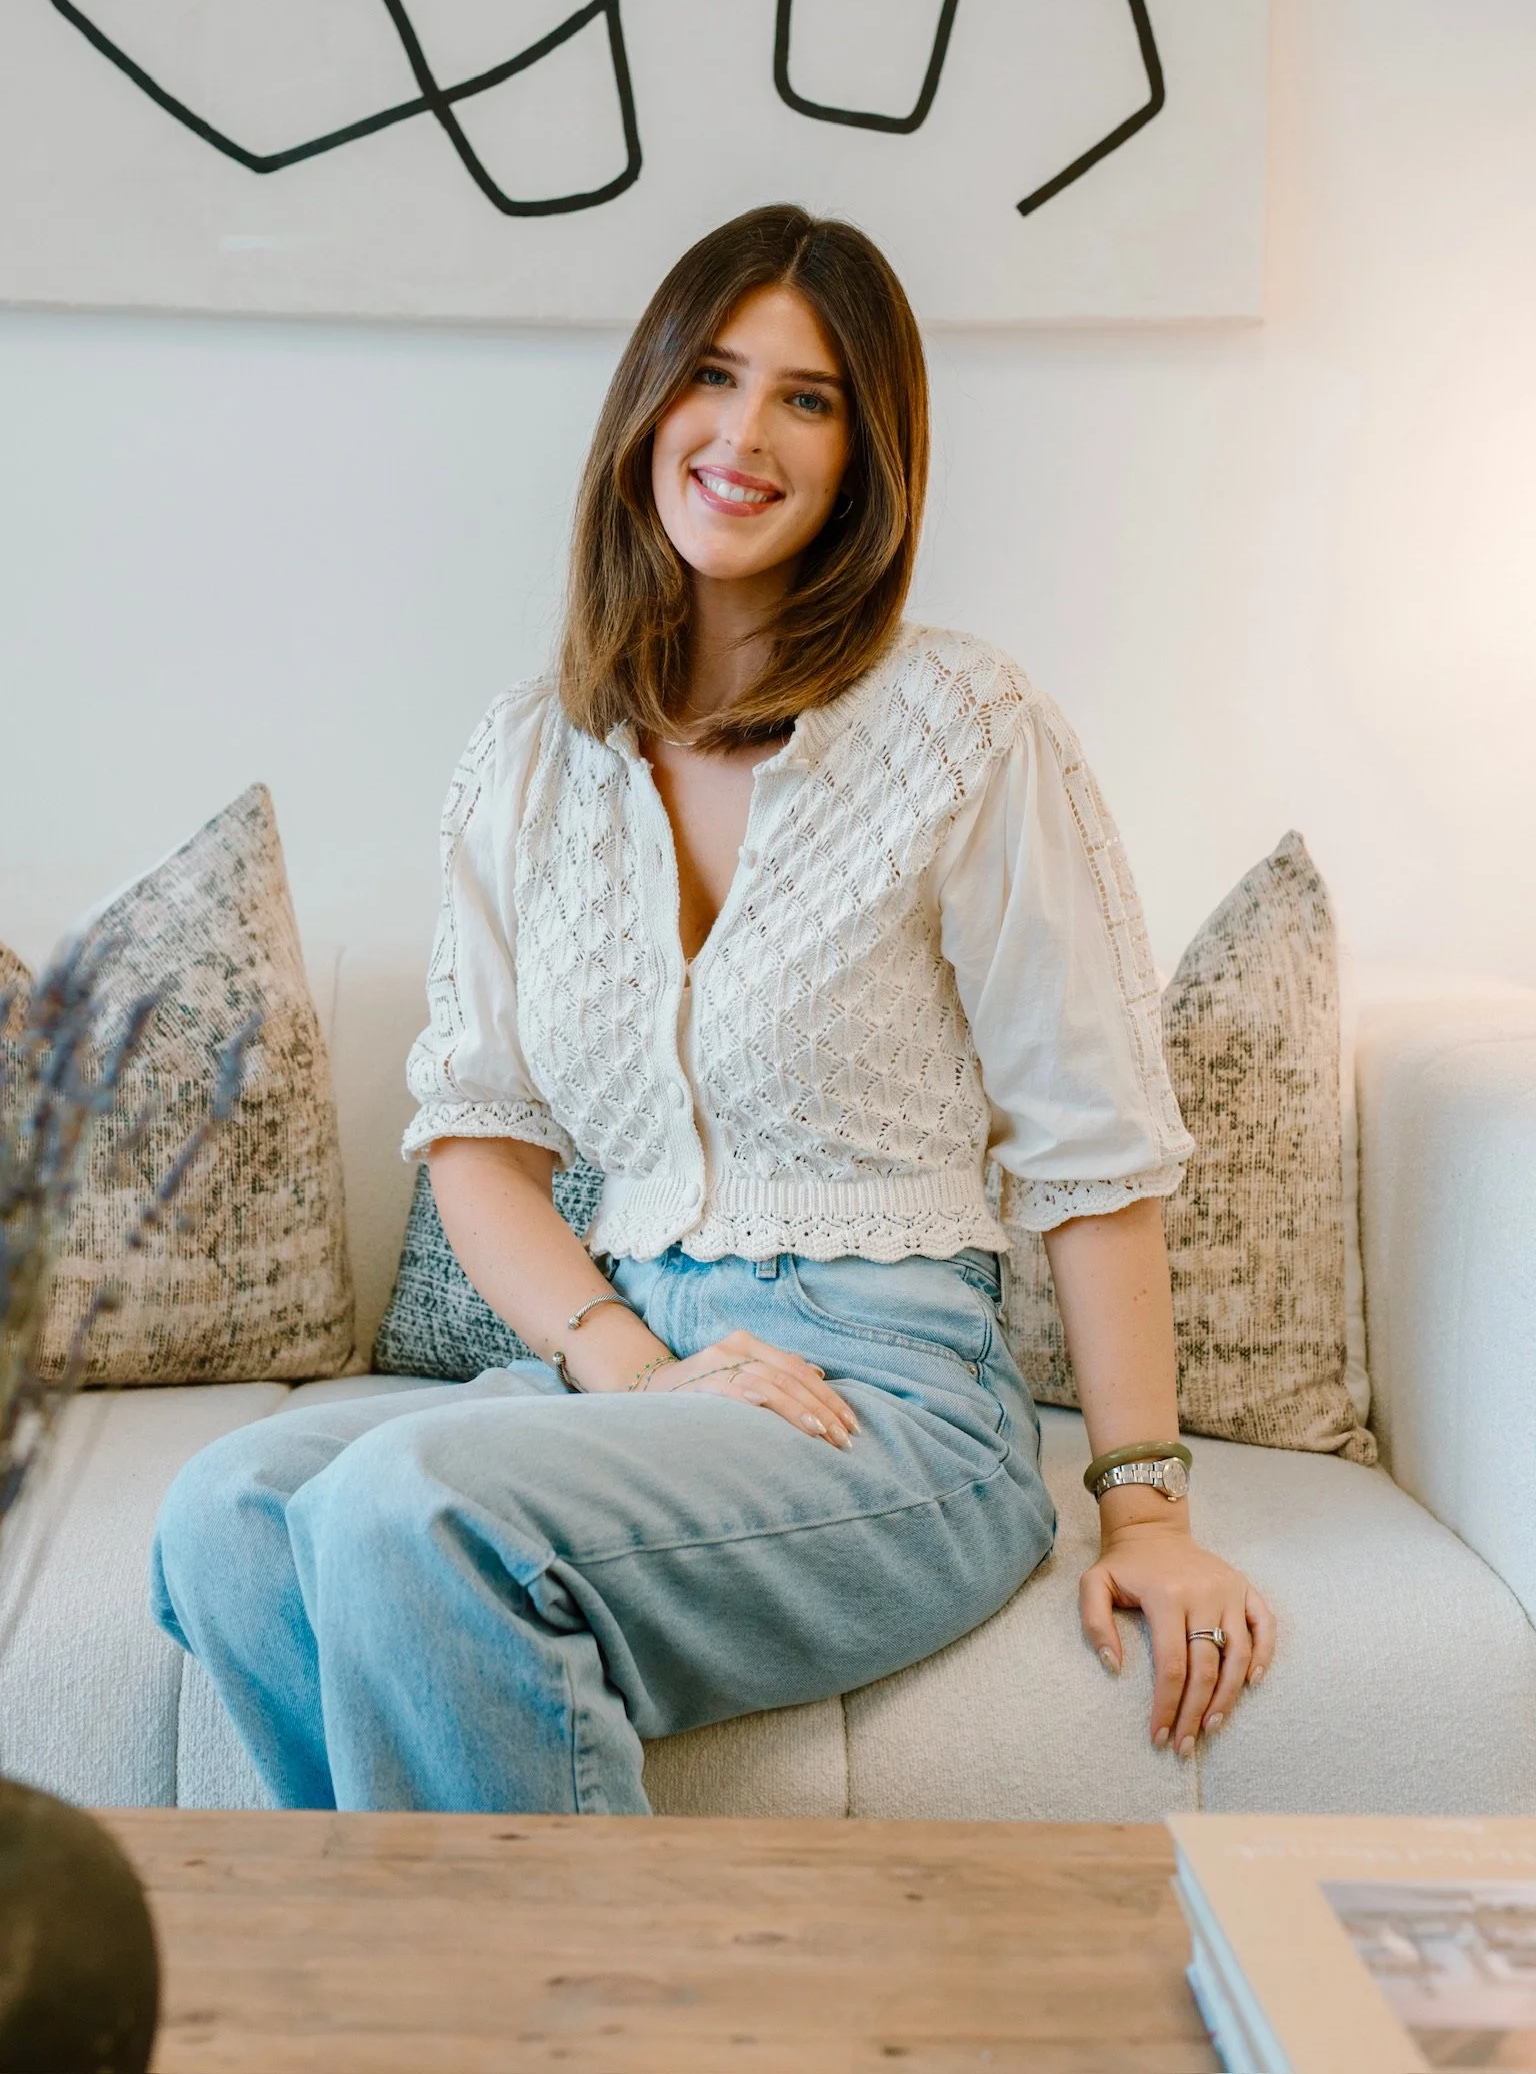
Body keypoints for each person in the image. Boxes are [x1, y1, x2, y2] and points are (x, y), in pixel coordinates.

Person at [151, 204, 1275, 1814]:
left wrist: (1147, 1510)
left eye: (808, 399)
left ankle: (547, 1971)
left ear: (866, 456)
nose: (745, 436)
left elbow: (1092, 1148)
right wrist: (622, 1363)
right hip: (638, 1363)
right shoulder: (529, 758)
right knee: (226, 1514)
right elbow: (480, 1139)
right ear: (649, 400)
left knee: (409, 1509)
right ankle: (432, 1958)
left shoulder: (964, 728)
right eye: (715, 376)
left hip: (884, 1398)